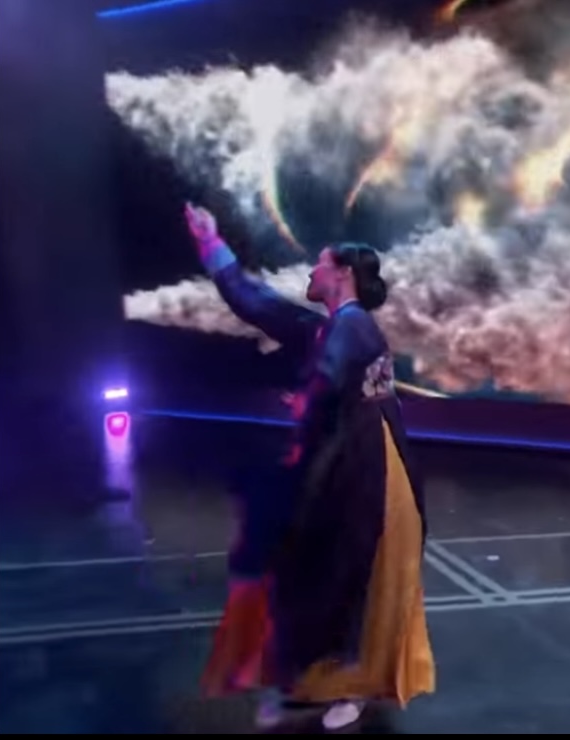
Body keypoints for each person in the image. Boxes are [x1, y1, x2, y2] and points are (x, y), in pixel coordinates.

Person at [185, 203, 435, 730]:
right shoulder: (330, 327)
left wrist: (304, 401)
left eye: (320, 264)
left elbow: (327, 379)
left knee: (350, 578)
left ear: (341, 275)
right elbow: (259, 304)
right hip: (343, 466)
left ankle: (353, 686)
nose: (311, 272)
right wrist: (211, 243)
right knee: (312, 572)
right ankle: (307, 680)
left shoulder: (354, 327)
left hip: (368, 476)